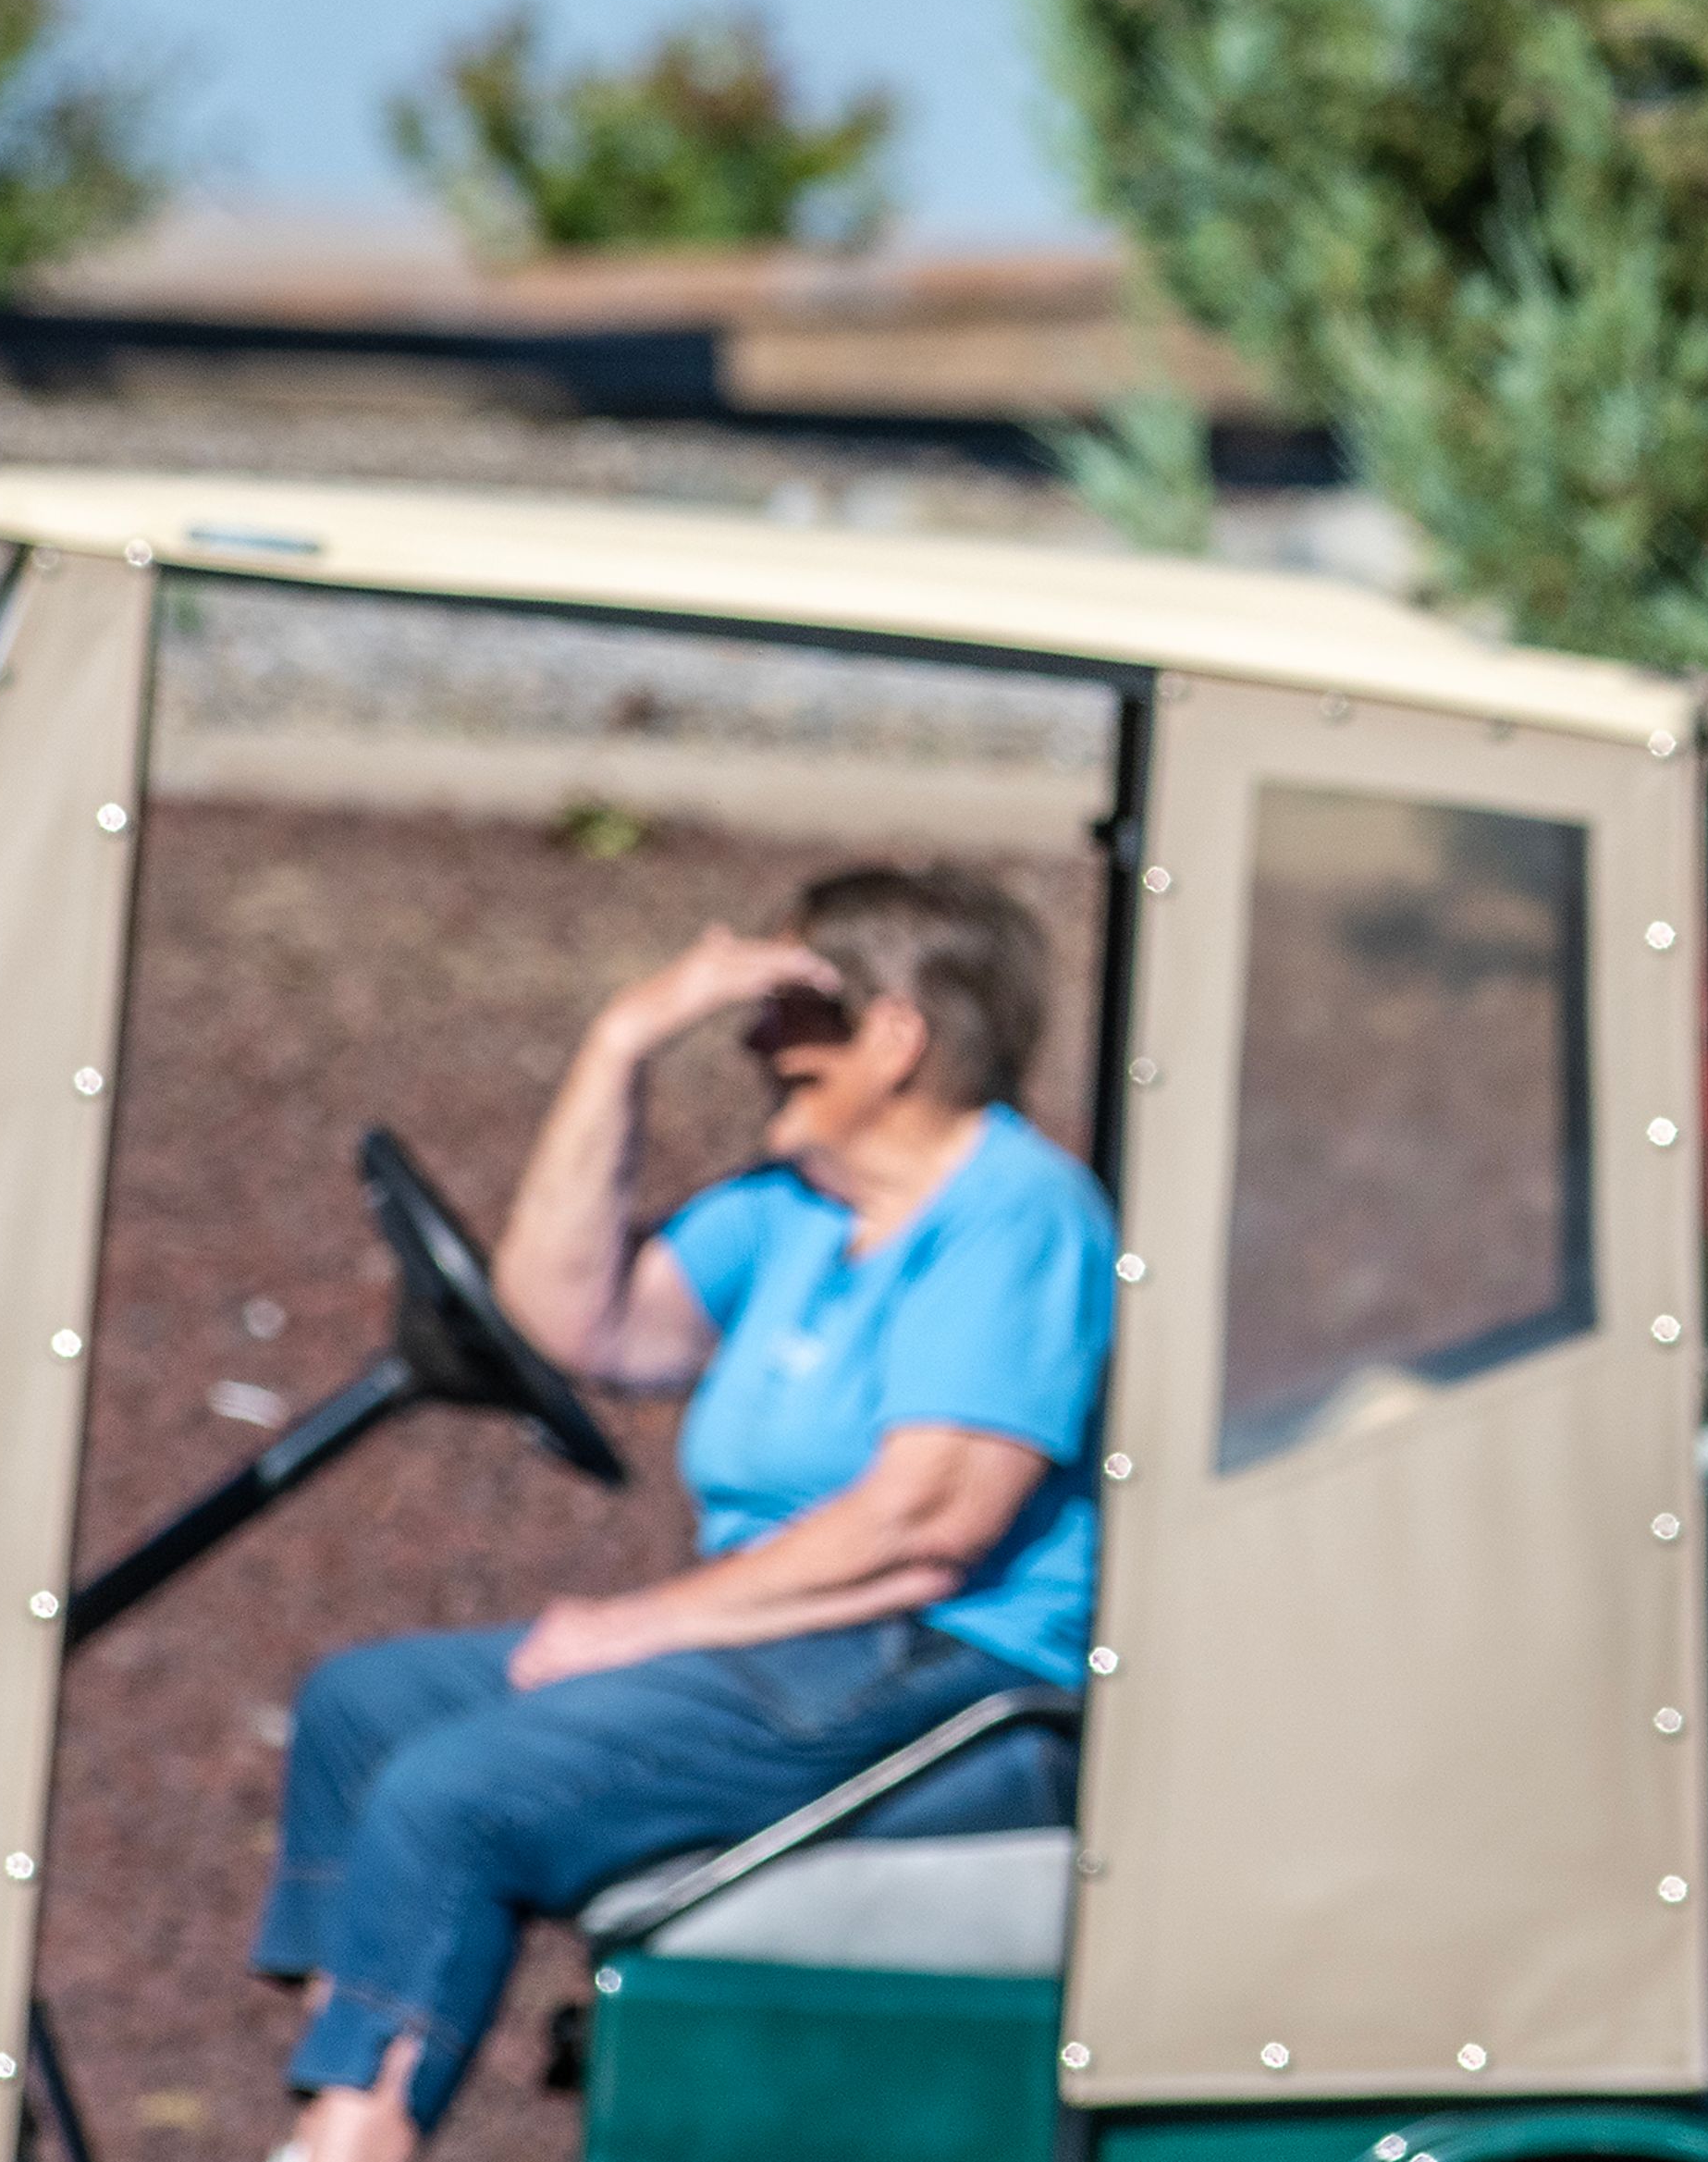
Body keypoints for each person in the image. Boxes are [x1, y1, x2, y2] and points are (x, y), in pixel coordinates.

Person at [252, 866, 1117, 2162]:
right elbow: (564, 1320)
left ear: (894, 1035)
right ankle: (356, 2086)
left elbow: (927, 1525)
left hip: (953, 1673)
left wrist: (636, 1627)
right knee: (365, 1706)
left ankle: (354, 2138)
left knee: (460, 1793)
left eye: (783, 1009)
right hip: (787, 1648)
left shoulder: (1018, 1215)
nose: (754, 1042)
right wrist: (619, 1044)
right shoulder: (795, 1213)